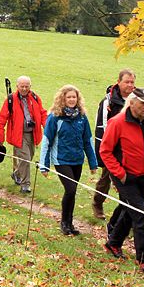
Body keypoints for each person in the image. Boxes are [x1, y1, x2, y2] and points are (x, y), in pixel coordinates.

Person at [100, 87, 144, 274]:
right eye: (143, 103)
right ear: (132, 103)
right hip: (125, 177)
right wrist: (121, 173)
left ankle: (114, 243)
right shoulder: (117, 122)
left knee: (130, 211)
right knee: (140, 216)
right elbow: (105, 151)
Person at [40, 85, 98, 236]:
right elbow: (47, 141)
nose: (72, 100)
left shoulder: (82, 117)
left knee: (72, 192)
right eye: (69, 97)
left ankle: (70, 223)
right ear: (62, 99)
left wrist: (93, 162)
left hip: (77, 159)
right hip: (61, 160)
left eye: (74, 97)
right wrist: (44, 165)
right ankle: (64, 222)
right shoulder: (55, 117)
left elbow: (88, 141)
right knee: (70, 189)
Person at [93, 69, 136, 220]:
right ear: (119, 82)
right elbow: (103, 126)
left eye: (132, 82)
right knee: (106, 178)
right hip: (112, 148)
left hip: (130, 150)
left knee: (128, 182)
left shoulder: (137, 100)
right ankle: (97, 204)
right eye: (127, 82)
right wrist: (105, 150)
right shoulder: (108, 101)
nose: (130, 85)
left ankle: (127, 214)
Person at [0, 76, 47, 194]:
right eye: (22, 86)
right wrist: (0, 138)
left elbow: (43, 113)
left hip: (33, 133)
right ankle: (25, 185)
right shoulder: (11, 99)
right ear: (17, 86)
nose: (24, 89)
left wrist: (47, 128)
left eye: (26, 86)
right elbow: (1, 119)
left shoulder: (35, 97)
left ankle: (16, 174)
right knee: (25, 159)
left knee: (29, 157)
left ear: (30, 86)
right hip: (18, 135)